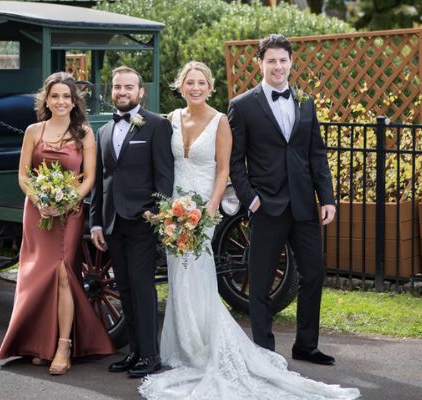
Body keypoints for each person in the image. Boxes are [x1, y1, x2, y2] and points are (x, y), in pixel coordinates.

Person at [138, 61, 359, 399]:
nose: (195, 88)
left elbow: (227, 167)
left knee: (197, 269)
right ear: (179, 87)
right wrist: (165, 208)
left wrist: (210, 209)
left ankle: (210, 344)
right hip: (174, 206)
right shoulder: (169, 120)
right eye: (189, 82)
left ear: (210, 87)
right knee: (177, 273)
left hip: (204, 207)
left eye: (201, 82)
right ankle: (183, 346)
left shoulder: (222, 120)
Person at [228, 34, 340, 364]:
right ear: (260, 64)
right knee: (260, 284)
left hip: (304, 204)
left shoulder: (305, 100)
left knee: (314, 274)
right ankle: (264, 351)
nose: (278, 66)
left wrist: (328, 198)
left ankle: (306, 346)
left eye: (283, 60)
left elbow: (316, 153)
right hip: (267, 206)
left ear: (291, 62)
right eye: (271, 60)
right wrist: (250, 199)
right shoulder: (242, 105)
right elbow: (235, 160)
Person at [0, 72, 114, 375]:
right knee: (39, 275)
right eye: (55, 96)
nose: (61, 102)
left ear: (74, 101)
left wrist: (64, 201)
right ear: (46, 100)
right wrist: (40, 199)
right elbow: (23, 175)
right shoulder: (34, 131)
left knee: (63, 273)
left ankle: (63, 346)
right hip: (37, 212)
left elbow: (89, 178)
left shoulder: (85, 133)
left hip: (69, 212)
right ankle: (42, 345)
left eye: (66, 96)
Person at [89, 66, 175, 378]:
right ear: (111, 91)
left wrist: (158, 212)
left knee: (142, 288)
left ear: (141, 92)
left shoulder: (157, 125)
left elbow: (165, 176)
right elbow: (101, 180)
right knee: (124, 288)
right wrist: (95, 223)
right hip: (112, 222)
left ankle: (151, 355)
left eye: (128, 87)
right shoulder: (103, 130)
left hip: (142, 220)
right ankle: (135, 352)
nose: (122, 92)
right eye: (117, 87)